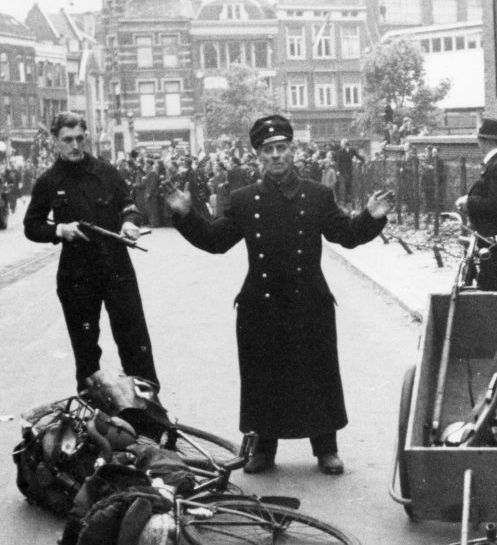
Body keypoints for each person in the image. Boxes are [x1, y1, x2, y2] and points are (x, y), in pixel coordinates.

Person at [165, 114, 395, 476]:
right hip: (262, 303)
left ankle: (326, 448)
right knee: (263, 375)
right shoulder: (244, 199)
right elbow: (215, 241)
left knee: (317, 373)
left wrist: (371, 217)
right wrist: (184, 216)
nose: (276, 156)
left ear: (293, 150)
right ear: (258, 155)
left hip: (310, 302)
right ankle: (263, 449)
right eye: (268, 150)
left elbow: (345, 235)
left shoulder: (318, 195)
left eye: (282, 148)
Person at [23, 111, 159, 391]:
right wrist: (60, 230)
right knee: (86, 352)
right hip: (77, 275)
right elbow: (31, 226)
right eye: (67, 140)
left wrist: (130, 223)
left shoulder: (106, 171)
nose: (75, 146)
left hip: (116, 268)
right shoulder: (48, 181)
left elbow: (129, 205)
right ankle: (93, 421)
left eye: (80, 138)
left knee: (136, 344)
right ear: (55, 142)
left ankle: (149, 414)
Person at [456, 118, 497, 291]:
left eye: (479, 139)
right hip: (488, 239)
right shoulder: (495, 163)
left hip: (492, 242)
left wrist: (469, 201)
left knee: (494, 290)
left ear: (485, 141)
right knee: (491, 286)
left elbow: (496, 203)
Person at [335, 139, 364, 207]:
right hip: (343, 171)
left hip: (349, 170)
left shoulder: (352, 150)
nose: (341, 145)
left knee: (349, 185)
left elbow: (357, 156)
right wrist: (338, 170)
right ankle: (345, 201)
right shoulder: (339, 151)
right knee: (344, 185)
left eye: (342, 143)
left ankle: (350, 200)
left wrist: (363, 160)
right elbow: (338, 162)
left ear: (345, 144)